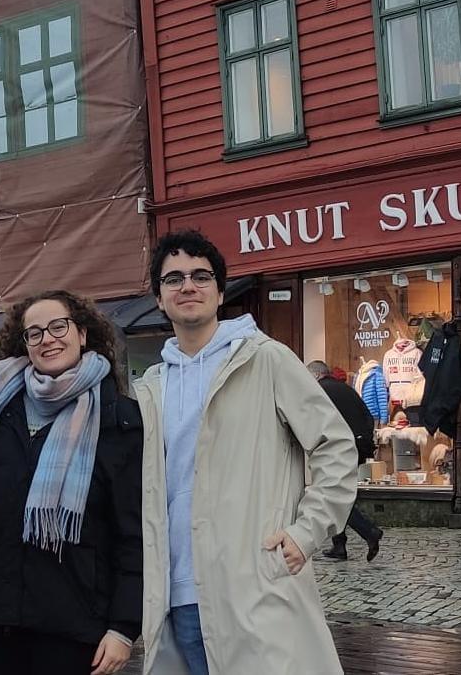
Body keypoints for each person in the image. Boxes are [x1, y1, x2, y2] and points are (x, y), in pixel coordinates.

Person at [133, 230, 357, 675]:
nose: (188, 286)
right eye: (173, 278)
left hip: (253, 588)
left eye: (201, 275)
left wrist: (305, 531)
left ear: (219, 291)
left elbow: (334, 444)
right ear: (159, 297)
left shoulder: (264, 359)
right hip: (176, 599)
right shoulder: (150, 388)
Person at [0, 290, 143, 675]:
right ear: (24, 345)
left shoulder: (119, 418)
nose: (47, 339)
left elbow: (133, 533)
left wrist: (123, 627)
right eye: (34, 333)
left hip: (74, 629)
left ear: (82, 334)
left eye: (58, 326)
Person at [307, 360, 385, 562]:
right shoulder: (345, 389)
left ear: (315, 376)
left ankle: (369, 532)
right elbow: (367, 416)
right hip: (358, 445)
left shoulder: (319, 392)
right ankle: (339, 545)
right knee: (337, 492)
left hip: (339, 447)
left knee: (335, 496)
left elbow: (315, 422)